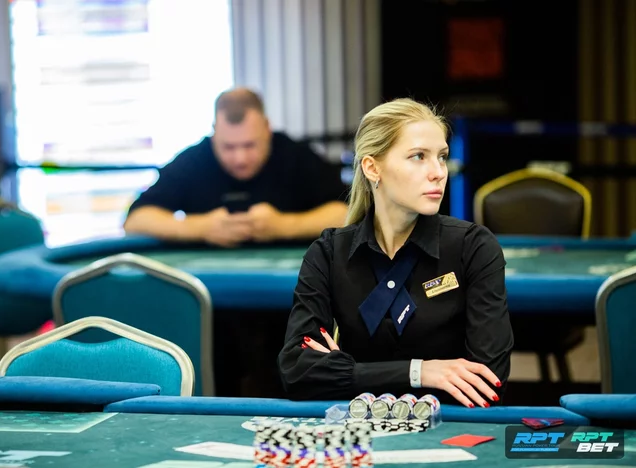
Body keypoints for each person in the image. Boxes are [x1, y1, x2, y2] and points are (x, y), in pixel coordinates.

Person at [277, 98, 514, 408]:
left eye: (442, 157)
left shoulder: (475, 247)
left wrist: (348, 372)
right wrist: (421, 372)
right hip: (358, 427)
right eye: (418, 156)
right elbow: (298, 373)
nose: (438, 172)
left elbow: (486, 381)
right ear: (372, 168)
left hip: (449, 427)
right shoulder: (328, 252)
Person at [124, 87, 348, 246]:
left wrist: (284, 226)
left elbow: (348, 213)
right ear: (214, 132)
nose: (240, 158)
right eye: (228, 147)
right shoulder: (194, 160)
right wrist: (200, 228)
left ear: (267, 128)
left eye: (250, 145)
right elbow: (136, 220)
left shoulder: (295, 155)